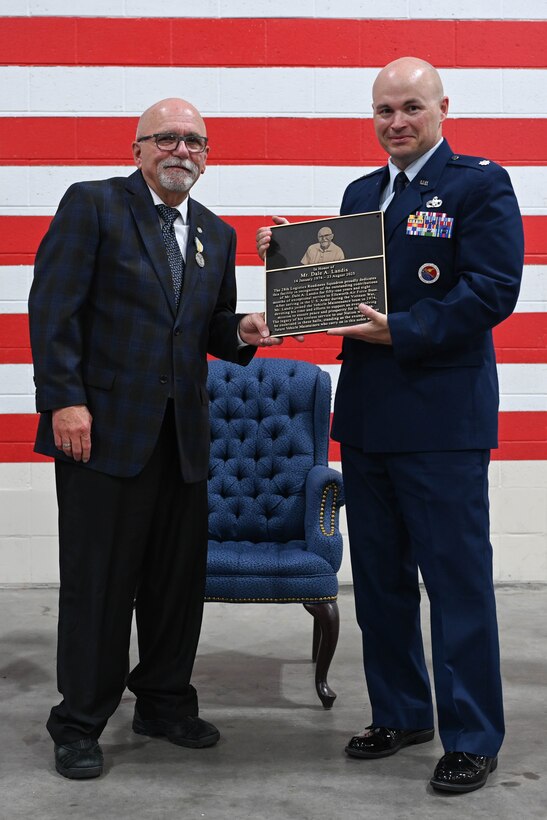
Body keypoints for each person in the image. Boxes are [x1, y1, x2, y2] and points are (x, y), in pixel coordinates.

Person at [256, 57, 524, 793]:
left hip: (442, 420)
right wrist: (291, 267)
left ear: (442, 109)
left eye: (410, 107)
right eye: (384, 110)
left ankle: (472, 735)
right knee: (379, 583)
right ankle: (402, 712)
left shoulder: (479, 184)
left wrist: (401, 330)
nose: (396, 121)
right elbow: (345, 294)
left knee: (456, 584)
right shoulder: (360, 192)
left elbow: (493, 290)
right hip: (369, 416)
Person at [28, 97, 287, 780]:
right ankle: (79, 722)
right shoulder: (93, 205)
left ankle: (164, 703)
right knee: (99, 585)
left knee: (176, 584)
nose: (182, 151)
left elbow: (210, 328)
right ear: (138, 148)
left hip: (183, 439)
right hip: (101, 433)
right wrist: (64, 400)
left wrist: (243, 331)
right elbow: (52, 309)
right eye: (167, 138)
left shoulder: (216, 234)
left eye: (195, 141)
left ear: (207, 156)